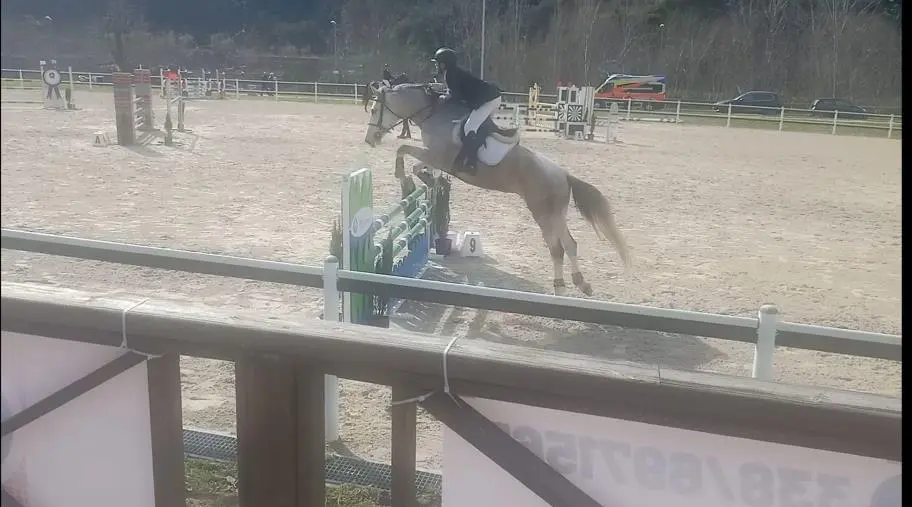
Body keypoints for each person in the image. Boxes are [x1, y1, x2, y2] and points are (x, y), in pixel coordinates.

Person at [431, 47, 503, 173]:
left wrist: (442, 98)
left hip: (489, 99)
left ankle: (471, 163)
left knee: (470, 127)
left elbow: (455, 96)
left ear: (444, 64)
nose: (436, 66)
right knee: (469, 125)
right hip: (485, 98)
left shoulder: (451, 74)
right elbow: (453, 92)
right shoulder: (452, 73)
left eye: (437, 63)